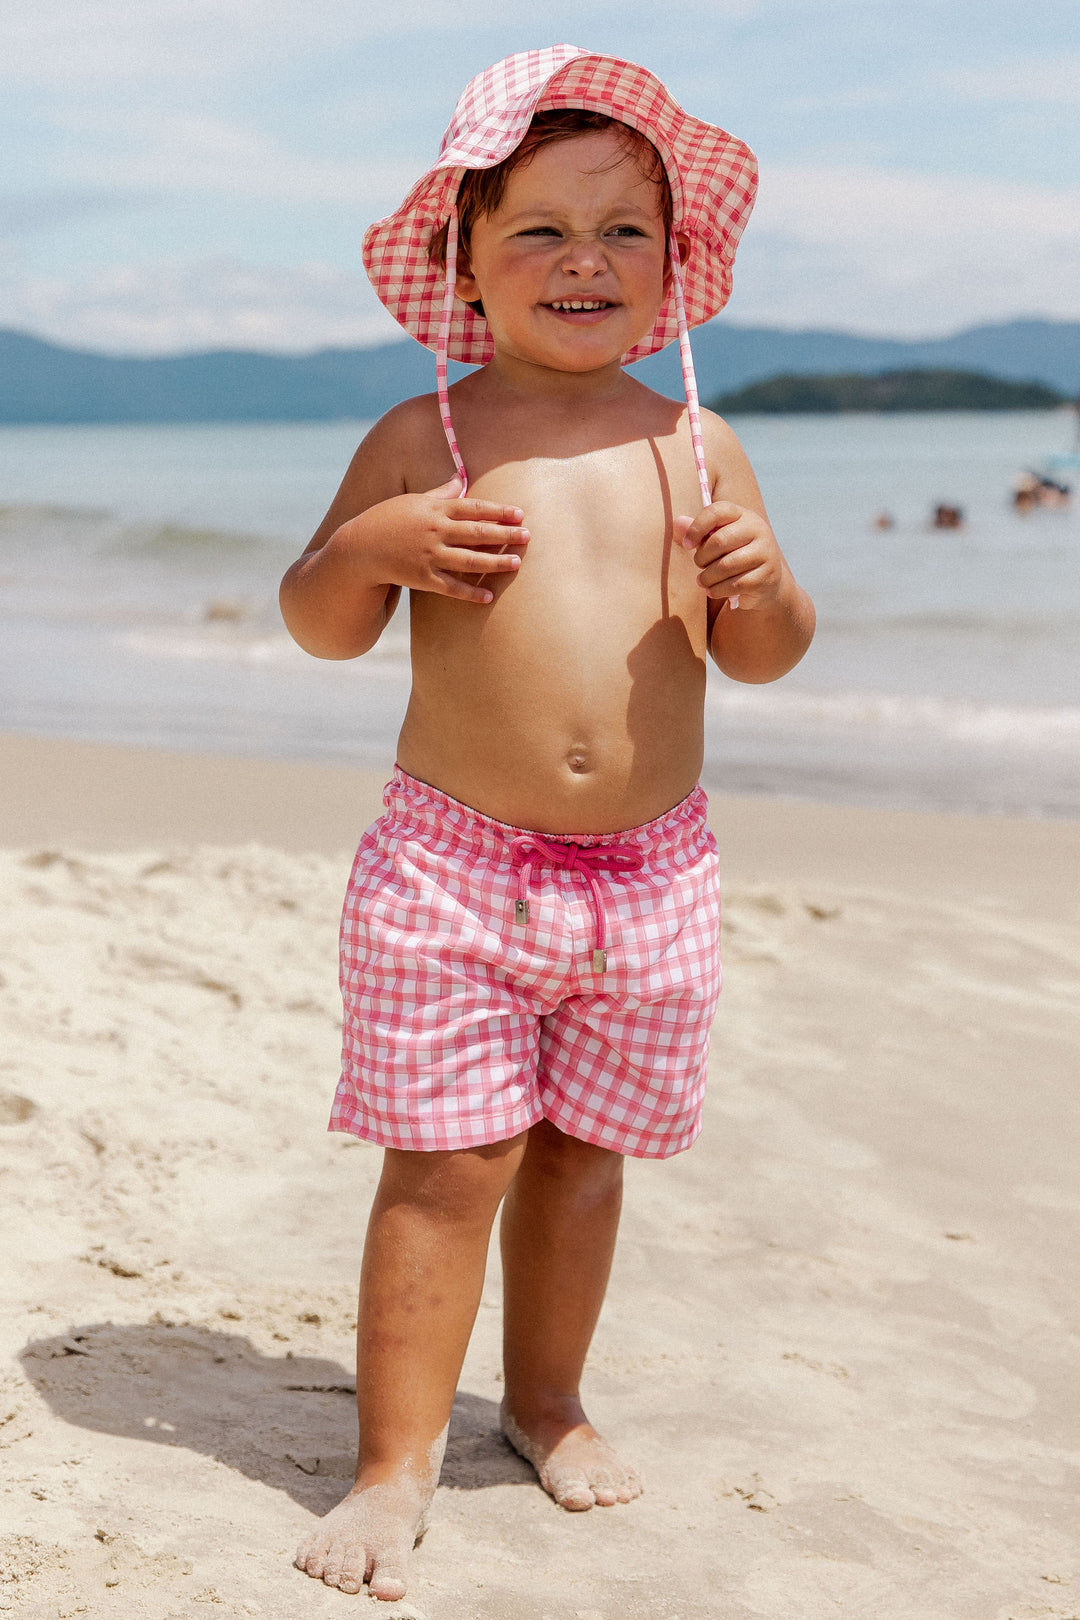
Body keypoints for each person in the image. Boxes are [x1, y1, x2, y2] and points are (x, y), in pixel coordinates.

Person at [280, 45, 815, 1602]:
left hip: (652, 881)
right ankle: (392, 1464)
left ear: (675, 264)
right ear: (464, 260)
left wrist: (760, 584)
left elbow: (767, 654)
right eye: (541, 231)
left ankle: (548, 1401)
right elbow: (320, 621)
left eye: (624, 232)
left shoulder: (697, 445)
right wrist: (376, 543)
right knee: (448, 1165)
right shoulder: (425, 437)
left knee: (584, 1160)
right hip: (452, 868)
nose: (585, 262)